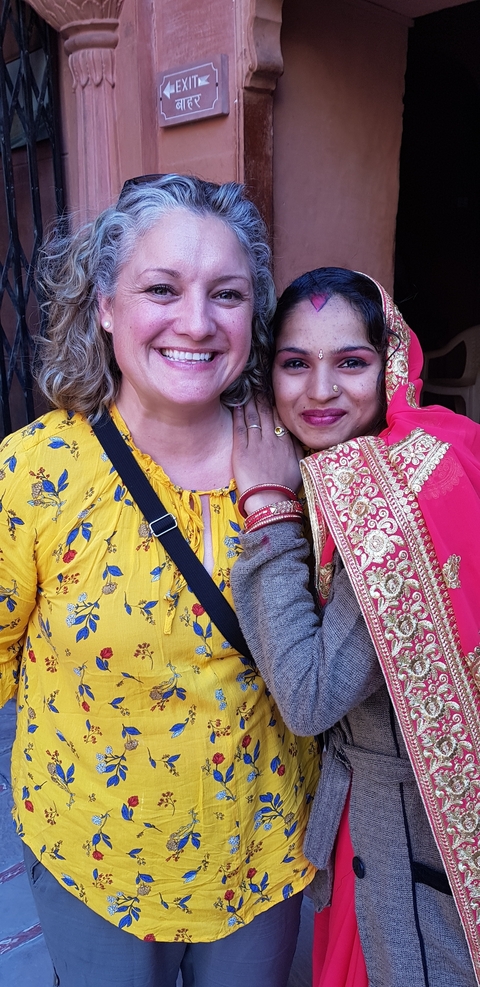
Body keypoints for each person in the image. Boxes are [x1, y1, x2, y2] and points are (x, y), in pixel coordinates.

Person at [0, 176, 319, 987]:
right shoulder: (36, 472)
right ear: (105, 304)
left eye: (228, 293)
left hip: (263, 857)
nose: (197, 322)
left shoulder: (305, 461)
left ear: (256, 314)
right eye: (161, 288)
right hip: (95, 861)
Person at [230, 267, 480, 987]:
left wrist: (268, 510)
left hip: (411, 850)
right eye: (294, 363)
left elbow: (310, 696)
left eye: (351, 362)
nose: (319, 391)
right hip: (366, 825)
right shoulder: (383, 463)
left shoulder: (400, 504)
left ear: (393, 364)